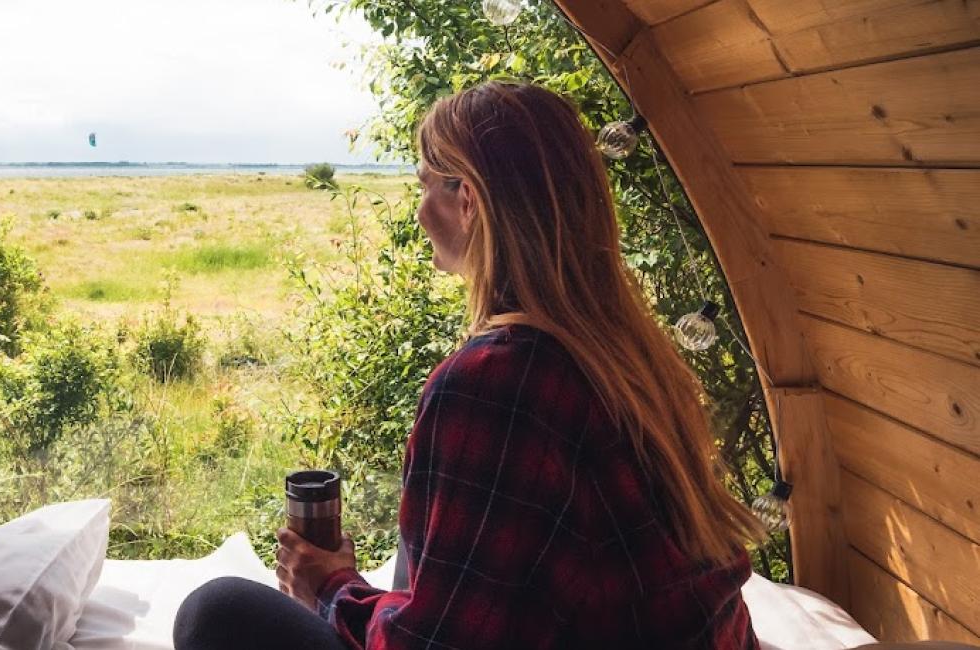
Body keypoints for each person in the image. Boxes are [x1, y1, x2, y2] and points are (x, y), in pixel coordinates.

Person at [172, 81, 765, 649]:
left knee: (216, 612)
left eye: (425, 185)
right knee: (423, 542)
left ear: (469, 200)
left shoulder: (499, 384)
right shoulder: (632, 358)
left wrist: (328, 588)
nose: (421, 211)